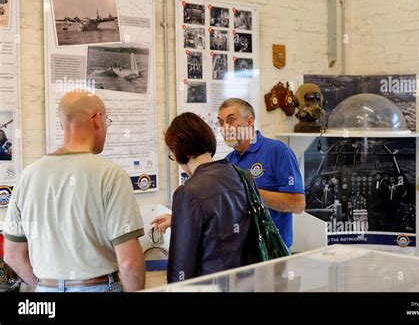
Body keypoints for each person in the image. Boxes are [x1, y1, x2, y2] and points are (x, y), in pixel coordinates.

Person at [3, 90, 145, 292]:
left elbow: (12, 255)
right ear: (97, 119)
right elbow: (129, 264)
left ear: (63, 125)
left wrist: (47, 285)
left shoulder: (27, 176)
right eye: (107, 121)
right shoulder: (111, 175)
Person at [152, 112, 256, 283]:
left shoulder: (188, 192)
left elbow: (181, 264)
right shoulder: (243, 176)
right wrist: (179, 219)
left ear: (178, 150)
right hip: (249, 281)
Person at [217, 98, 305, 249]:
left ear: (249, 122)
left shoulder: (277, 151)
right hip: (239, 253)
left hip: (273, 252)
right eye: (221, 122)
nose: (225, 127)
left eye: (231, 120)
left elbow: (297, 204)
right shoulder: (228, 162)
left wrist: (249, 192)